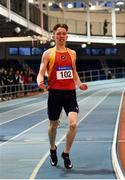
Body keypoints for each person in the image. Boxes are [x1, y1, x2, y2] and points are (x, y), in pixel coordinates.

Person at [37, 23, 88, 169]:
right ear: (54, 35)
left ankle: (66, 154)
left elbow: (74, 72)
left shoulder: (72, 53)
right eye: (58, 33)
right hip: (55, 93)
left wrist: (79, 84)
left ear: (67, 35)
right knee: (53, 125)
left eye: (63, 33)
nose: (61, 36)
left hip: (70, 93)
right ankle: (53, 149)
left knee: (73, 124)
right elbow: (41, 73)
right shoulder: (48, 54)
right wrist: (40, 81)